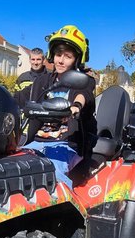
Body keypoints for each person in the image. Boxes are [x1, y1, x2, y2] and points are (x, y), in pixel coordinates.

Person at [17, 25, 97, 187]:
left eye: (67, 56)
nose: (61, 60)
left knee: (52, 174)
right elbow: (17, 97)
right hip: (36, 142)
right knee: (11, 167)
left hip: (66, 145)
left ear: (77, 59)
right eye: (58, 54)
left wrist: (75, 106)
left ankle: (64, 209)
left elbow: (84, 95)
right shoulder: (42, 82)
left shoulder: (83, 81)